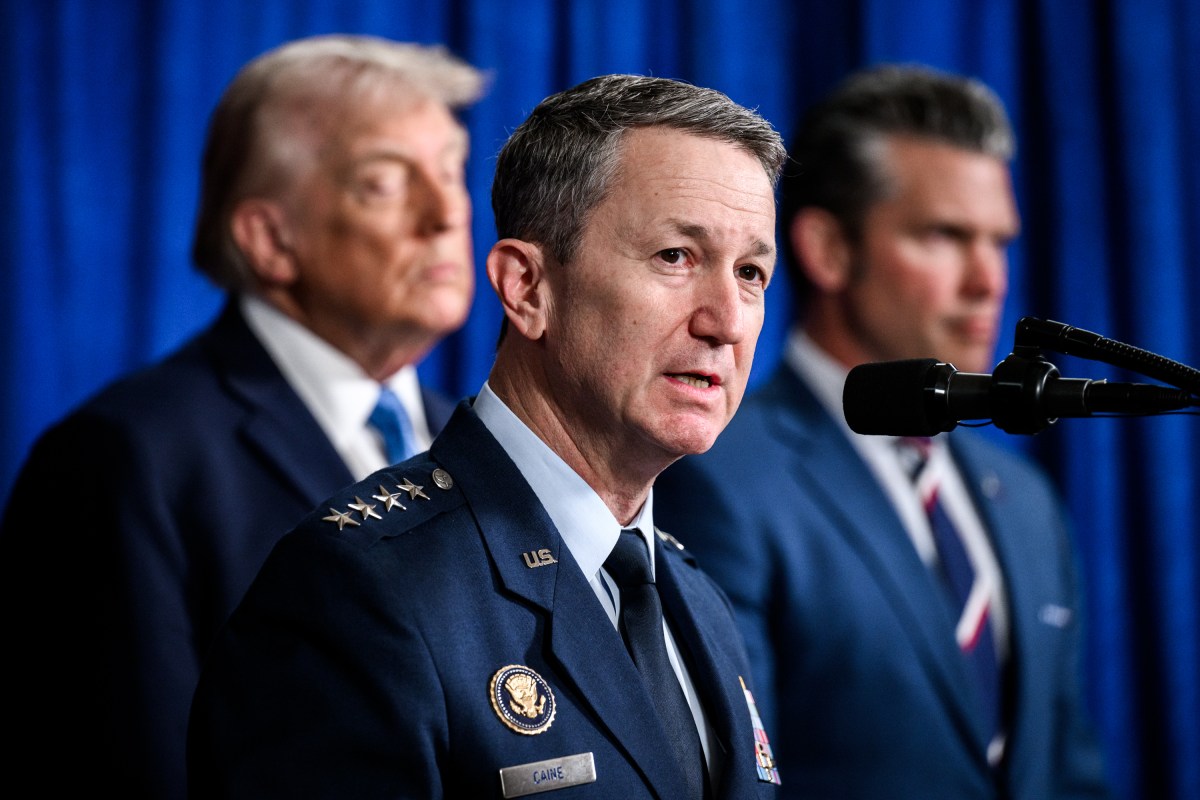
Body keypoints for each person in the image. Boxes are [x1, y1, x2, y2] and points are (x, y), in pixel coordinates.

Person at [187, 73, 786, 799]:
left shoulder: (694, 598)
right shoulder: (358, 590)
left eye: (751, 272)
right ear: (528, 289)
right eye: (675, 257)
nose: (726, 319)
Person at [0, 35, 485, 799]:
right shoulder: (126, 459)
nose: (446, 212)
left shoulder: (470, 443)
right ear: (270, 237)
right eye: (387, 182)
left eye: (453, 169)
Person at [655, 64, 1112, 799]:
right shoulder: (713, 475)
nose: (987, 280)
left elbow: (1070, 775)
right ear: (828, 249)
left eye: (998, 242)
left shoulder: (1023, 500)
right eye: (945, 236)